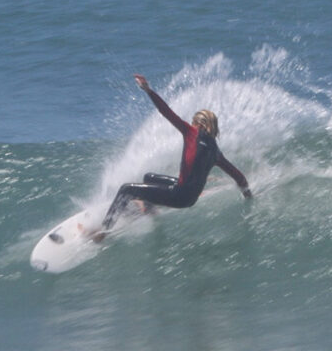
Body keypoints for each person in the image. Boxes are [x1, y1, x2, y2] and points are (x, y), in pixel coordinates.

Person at [99, 74, 252, 235]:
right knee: (148, 177)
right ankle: (150, 211)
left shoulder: (191, 132)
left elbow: (166, 112)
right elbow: (239, 177)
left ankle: (104, 230)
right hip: (189, 197)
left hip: (178, 195)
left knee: (126, 189)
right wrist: (248, 196)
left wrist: (148, 90)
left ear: (197, 123)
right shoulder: (216, 153)